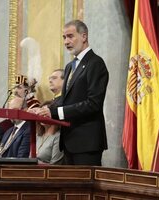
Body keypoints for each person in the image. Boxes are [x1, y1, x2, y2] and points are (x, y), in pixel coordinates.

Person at [36, 20, 109, 166]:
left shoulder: (95, 63)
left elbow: (93, 104)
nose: (66, 41)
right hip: (69, 141)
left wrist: (57, 113)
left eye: (70, 36)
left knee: (83, 189)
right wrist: (45, 110)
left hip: (87, 143)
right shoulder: (70, 66)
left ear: (84, 36)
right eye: (64, 37)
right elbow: (65, 98)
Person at [0, 74, 40, 142]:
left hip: (21, 133)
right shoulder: (15, 101)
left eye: (19, 87)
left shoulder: (34, 103)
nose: (15, 91)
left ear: (28, 90)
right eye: (15, 87)